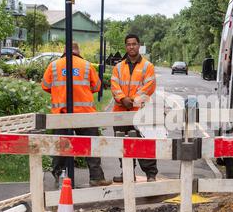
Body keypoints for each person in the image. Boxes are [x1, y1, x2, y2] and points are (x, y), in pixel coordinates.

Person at [41, 42, 111, 187]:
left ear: (64, 51)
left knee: (61, 147)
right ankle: (96, 178)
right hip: (85, 114)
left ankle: (59, 176)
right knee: (90, 146)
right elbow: (97, 86)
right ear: (78, 52)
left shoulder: (54, 65)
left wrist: (59, 91)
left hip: (62, 114)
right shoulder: (86, 65)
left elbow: (45, 86)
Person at [111, 34, 158, 183]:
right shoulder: (118, 67)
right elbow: (114, 86)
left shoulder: (147, 66)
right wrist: (122, 99)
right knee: (123, 145)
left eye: (134, 44)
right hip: (121, 112)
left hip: (140, 113)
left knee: (144, 144)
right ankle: (127, 173)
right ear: (126, 47)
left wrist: (132, 100)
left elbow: (149, 86)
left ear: (139, 46)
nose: (131, 47)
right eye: (128, 44)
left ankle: (151, 174)